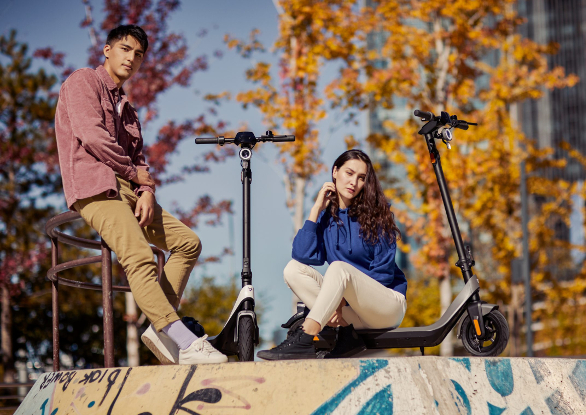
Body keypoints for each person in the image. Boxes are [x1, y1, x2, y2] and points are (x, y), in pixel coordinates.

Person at [54, 25, 226, 365]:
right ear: (107, 50)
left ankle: (159, 328)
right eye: (124, 49)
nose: (131, 58)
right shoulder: (83, 81)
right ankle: (184, 341)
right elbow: (92, 137)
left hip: (130, 190)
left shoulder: (128, 109)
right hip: (96, 187)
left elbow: (140, 160)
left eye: (138, 54)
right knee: (140, 257)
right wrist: (136, 176)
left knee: (188, 243)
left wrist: (145, 190)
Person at [258, 149, 407, 360]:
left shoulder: (378, 216)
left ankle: (306, 335)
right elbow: (302, 254)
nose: (353, 182)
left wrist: (341, 301)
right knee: (292, 269)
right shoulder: (328, 219)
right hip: (352, 314)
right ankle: (346, 335)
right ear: (335, 172)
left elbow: (383, 275)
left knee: (338, 268)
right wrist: (316, 210)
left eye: (361, 178)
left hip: (386, 307)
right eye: (349, 173)